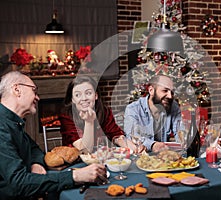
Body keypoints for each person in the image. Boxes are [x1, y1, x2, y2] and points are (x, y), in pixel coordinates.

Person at [0, 71, 106, 200]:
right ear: (17, 90)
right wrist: (76, 176)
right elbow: (18, 183)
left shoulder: (13, 122)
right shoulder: (2, 126)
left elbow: (35, 150)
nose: (38, 97)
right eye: (34, 90)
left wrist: (36, 164)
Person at [60, 75, 139, 153]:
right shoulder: (67, 116)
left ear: (96, 96)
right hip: (77, 162)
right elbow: (85, 150)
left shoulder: (104, 111)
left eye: (88, 93)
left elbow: (115, 134)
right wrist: (89, 122)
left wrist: (131, 146)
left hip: (103, 157)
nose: (84, 98)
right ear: (72, 99)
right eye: (77, 95)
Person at [124, 75, 181, 152]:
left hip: (164, 156)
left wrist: (183, 141)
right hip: (142, 157)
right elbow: (132, 136)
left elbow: (180, 132)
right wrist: (153, 145)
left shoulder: (173, 105)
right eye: (165, 91)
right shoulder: (133, 109)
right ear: (151, 90)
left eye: (172, 92)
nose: (170, 96)